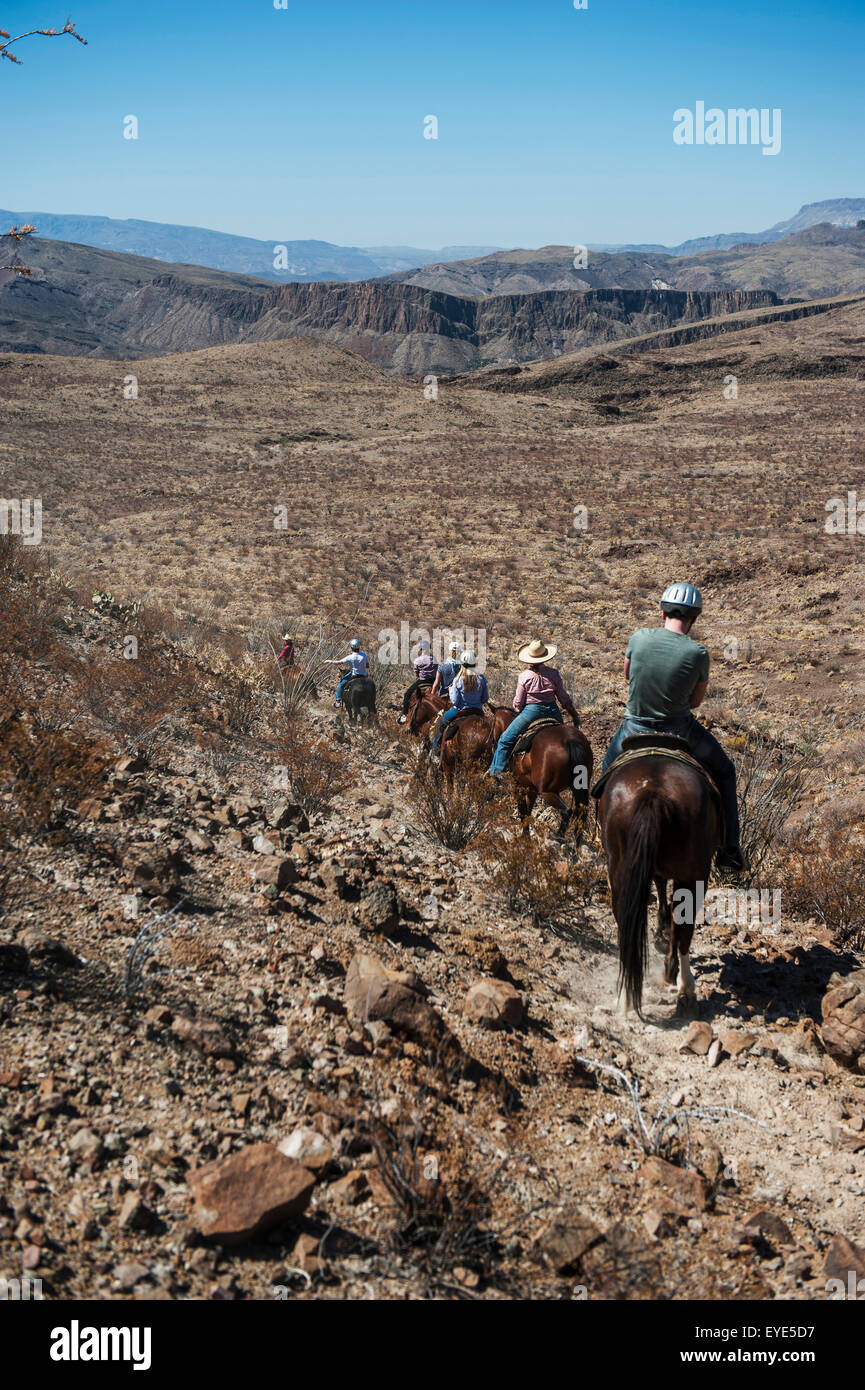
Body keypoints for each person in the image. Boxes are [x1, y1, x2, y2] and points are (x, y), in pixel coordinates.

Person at [601, 582, 747, 872]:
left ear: (662, 612)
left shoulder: (639, 638)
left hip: (634, 727)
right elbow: (695, 702)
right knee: (726, 772)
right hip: (681, 731)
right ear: (694, 618)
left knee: (603, 776)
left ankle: (599, 834)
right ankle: (730, 850)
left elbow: (627, 675)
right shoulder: (698, 653)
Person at [487, 639, 579, 779]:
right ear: (544, 657)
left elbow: (518, 703)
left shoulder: (524, 676)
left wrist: (518, 709)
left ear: (529, 659)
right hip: (553, 712)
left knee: (505, 740)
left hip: (531, 712)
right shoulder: (554, 674)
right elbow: (564, 699)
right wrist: (574, 715)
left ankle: (497, 774)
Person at [430, 650, 488, 758]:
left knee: (440, 724)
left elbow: (455, 701)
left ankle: (436, 753)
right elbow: (485, 699)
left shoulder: (458, 680)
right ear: (475, 664)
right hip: (478, 712)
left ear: (462, 664)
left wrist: (451, 690)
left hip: (460, 711)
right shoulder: (482, 679)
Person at [398, 639, 439, 722]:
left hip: (422, 681)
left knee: (407, 695)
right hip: (433, 681)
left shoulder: (417, 660)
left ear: (421, 649)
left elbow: (416, 673)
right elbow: (437, 670)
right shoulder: (434, 659)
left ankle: (404, 715)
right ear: (429, 648)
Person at [324, 638, 369, 708]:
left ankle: (338, 701)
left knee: (340, 685)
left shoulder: (350, 657)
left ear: (351, 647)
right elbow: (367, 666)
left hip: (354, 675)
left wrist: (329, 661)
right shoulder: (364, 655)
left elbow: (339, 662)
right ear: (359, 647)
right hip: (364, 676)